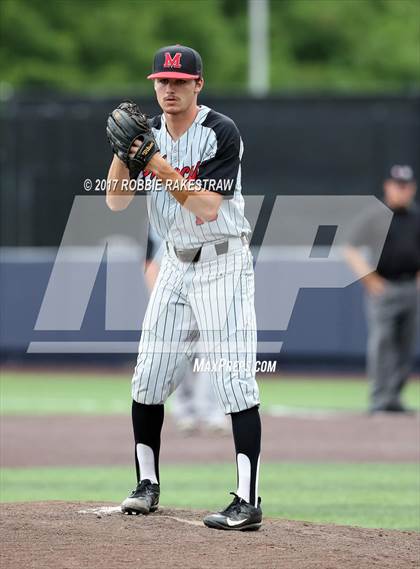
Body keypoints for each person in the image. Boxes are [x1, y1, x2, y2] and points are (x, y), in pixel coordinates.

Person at [106, 45, 262, 530]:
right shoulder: (145, 134)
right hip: (174, 262)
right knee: (148, 376)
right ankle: (146, 485)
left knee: (234, 378)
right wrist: (121, 153)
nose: (169, 89)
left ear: (198, 84)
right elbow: (114, 201)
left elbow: (208, 208)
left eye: (179, 81)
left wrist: (155, 163)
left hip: (222, 260)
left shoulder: (220, 132)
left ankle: (247, 500)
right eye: (161, 81)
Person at [345, 165, 420, 414]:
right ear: (388, 186)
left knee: (405, 345)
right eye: (398, 185)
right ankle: (379, 398)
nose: (402, 191)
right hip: (384, 288)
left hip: (410, 287)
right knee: (383, 343)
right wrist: (370, 279)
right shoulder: (375, 215)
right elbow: (350, 247)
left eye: (406, 186)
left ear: (413, 188)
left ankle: (394, 398)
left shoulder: (415, 217)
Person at [146, 229, 228, 434]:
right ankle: (186, 414)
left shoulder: (208, 208)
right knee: (180, 357)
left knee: (213, 354)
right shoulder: (159, 220)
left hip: (209, 290)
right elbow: (150, 261)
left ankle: (213, 414)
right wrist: (159, 296)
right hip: (175, 293)